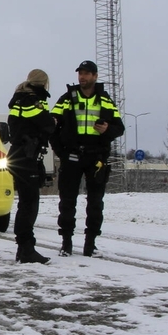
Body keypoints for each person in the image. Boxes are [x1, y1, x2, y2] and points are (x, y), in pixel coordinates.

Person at [49, 60, 125, 257]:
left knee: (95, 203)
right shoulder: (68, 98)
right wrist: (60, 151)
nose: (82, 77)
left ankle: (90, 244)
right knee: (67, 202)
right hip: (72, 156)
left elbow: (120, 128)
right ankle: (66, 243)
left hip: (96, 158)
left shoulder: (105, 100)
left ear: (95, 76)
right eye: (80, 73)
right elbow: (52, 126)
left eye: (87, 73)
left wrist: (108, 130)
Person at [6, 69, 56, 264]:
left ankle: (24, 248)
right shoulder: (31, 100)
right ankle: (26, 249)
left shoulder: (20, 97)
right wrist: (52, 122)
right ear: (43, 83)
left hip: (20, 155)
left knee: (26, 203)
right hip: (26, 157)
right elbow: (46, 124)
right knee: (29, 204)